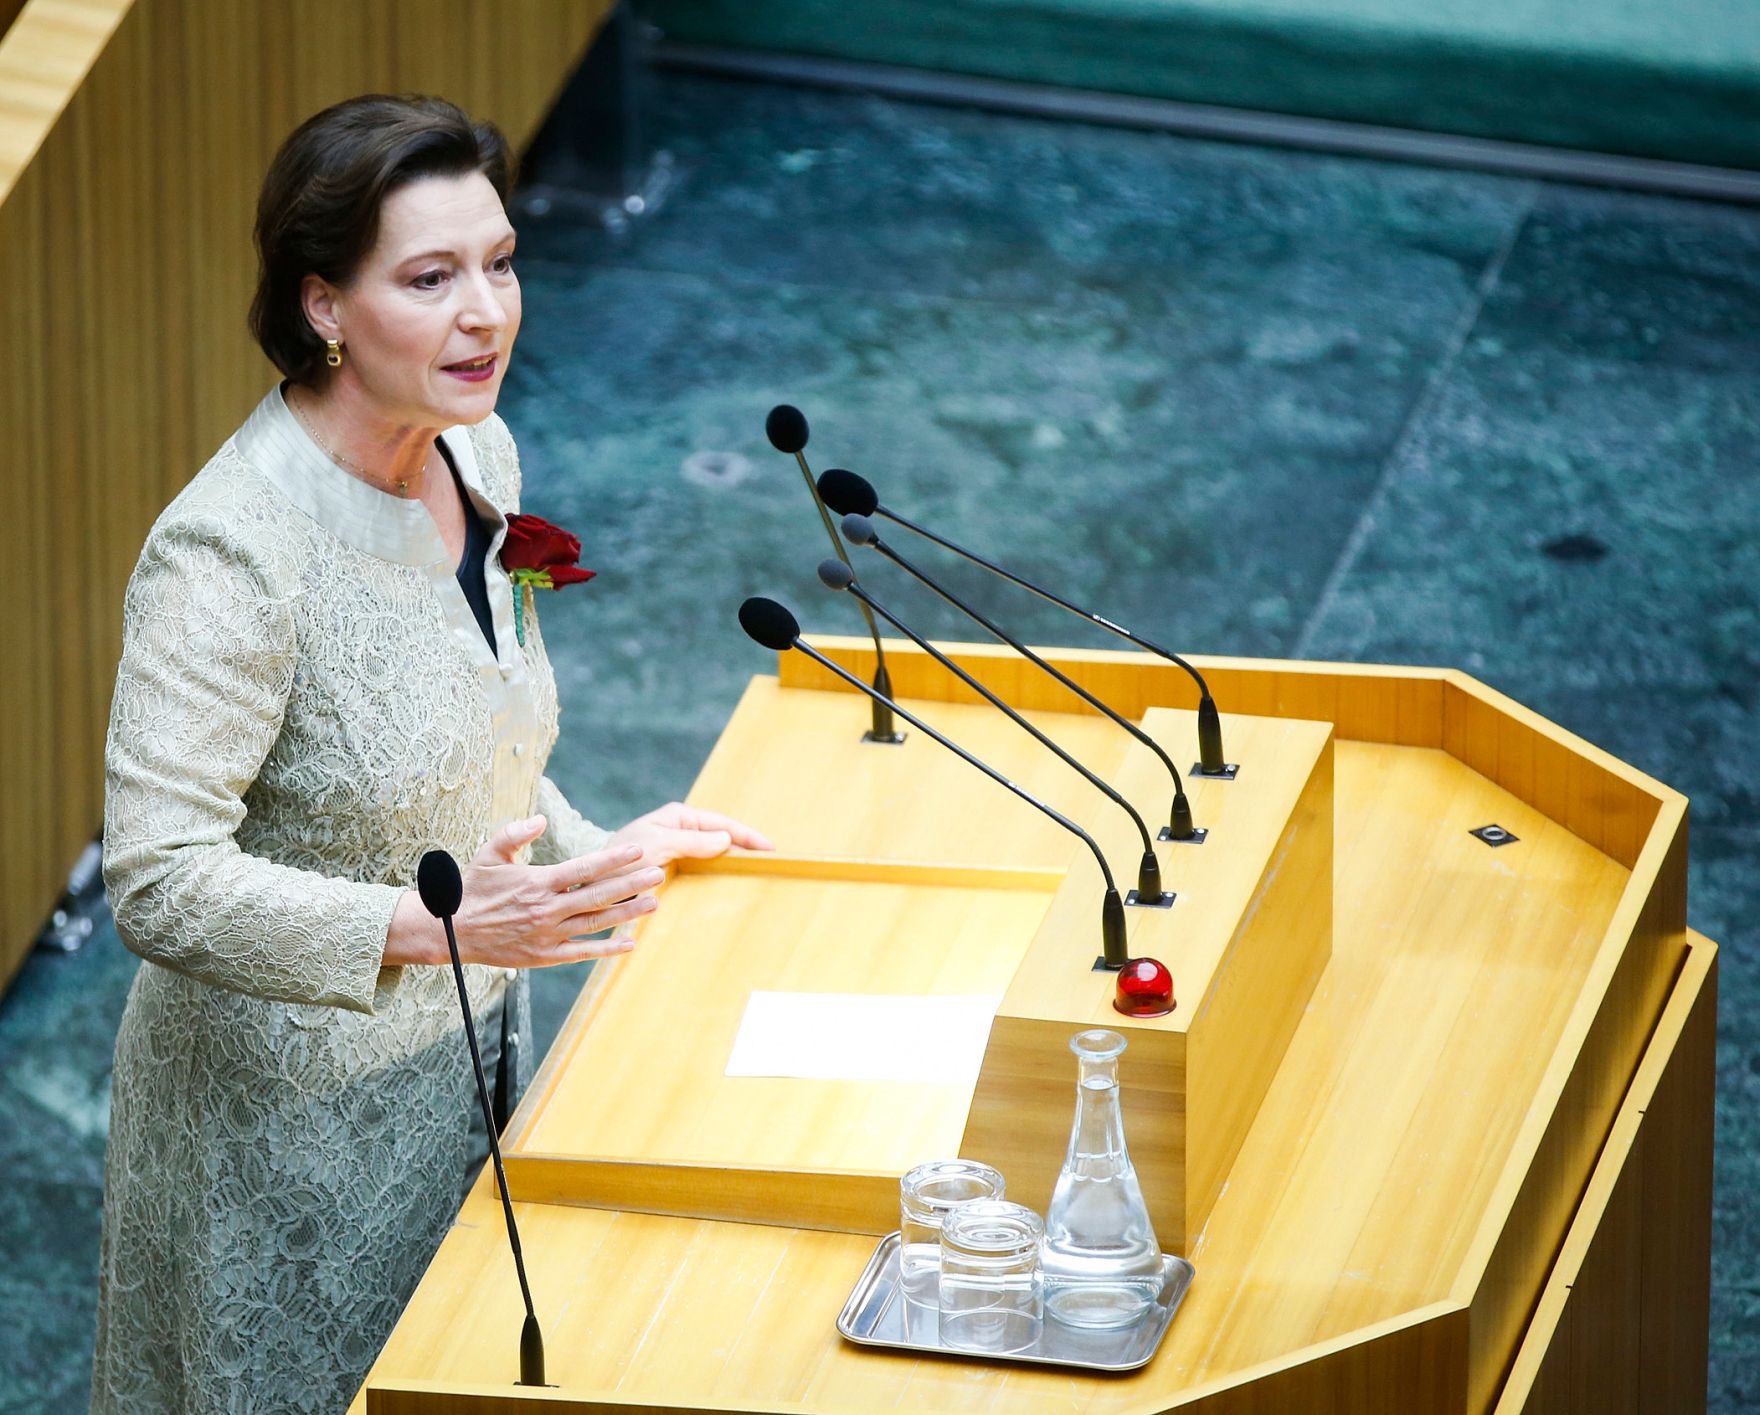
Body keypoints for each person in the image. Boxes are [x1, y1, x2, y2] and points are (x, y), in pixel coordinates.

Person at [89, 94, 770, 1414]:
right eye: (430, 277)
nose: (488, 311)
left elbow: (469, 740)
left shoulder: (474, 445)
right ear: (325, 305)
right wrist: (434, 926)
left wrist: (597, 859)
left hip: (466, 1066)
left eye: (501, 262)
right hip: (280, 1133)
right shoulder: (230, 554)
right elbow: (159, 879)